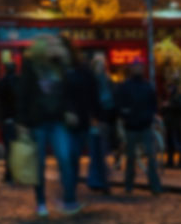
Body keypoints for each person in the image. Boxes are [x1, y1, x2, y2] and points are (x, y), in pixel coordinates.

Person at [17, 35, 82, 217]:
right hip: (38, 121)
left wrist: (69, 109)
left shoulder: (61, 65)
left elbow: (68, 92)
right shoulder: (31, 66)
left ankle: (69, 200)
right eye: (51, 45)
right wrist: (22, 122)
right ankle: (40, 202)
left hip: (58, 120)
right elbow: (23, 94)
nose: (55, 47)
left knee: (65, 159)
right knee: (39, 165)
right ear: (41, 48)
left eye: (57, 45)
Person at [116, 63, 162, 195]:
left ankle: (155, 186)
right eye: (136, 67)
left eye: (140, 67)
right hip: (131, 126)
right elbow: (120, 104)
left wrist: (150, 116)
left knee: (151, 156)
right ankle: (129, 184)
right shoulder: (126, 86)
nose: (138, 69)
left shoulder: (147, 86)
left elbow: (153, 103)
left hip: (145, 126)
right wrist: (126, 115)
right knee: (131, 158)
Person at [60, 38, 98, 195]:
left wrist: (95, 116)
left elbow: (92, 94)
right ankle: (69, 190)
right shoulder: (60, 71)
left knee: (73, 156)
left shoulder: (82, 71)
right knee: (69, 156)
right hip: (64, 122)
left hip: (81, 120)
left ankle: (70, 190)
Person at [87, 54, 114, 194]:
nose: (100, 67)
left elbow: (111, 101)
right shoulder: (93, 82)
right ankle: (96, 180)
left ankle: (102, 181)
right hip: (94, 122)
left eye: (101, 65)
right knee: (95, 152)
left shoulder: (106, 81)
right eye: (97, 64)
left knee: (102, 152)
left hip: (103, 121)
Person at [0, 56, 19, 184]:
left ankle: (9, 173)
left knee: (9, 148)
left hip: (7, 118)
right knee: (16, 147)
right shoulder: (18, 81)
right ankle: (15, 172)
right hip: (17, 118)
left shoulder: (1, 82)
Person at [162, 76, 181, 168]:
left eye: (170, 87)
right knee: (170, 143)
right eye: (168, 87)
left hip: (176, 123)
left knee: (177, 143)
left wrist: (169, 105)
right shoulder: (170, 97)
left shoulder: (178, 96)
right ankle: (170, 161)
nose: (168, 89)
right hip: (170, 123)